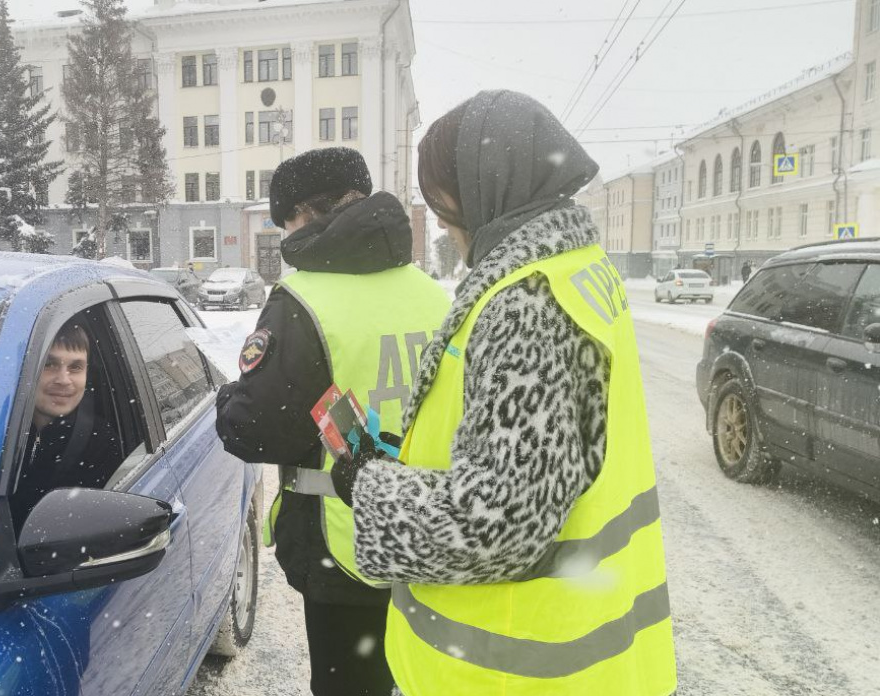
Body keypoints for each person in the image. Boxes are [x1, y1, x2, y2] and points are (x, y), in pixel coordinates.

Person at [331, 91, 677, 695]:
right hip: (578, 648)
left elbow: (499, 523)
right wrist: (412, 465)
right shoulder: (576, 268)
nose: (445, 224)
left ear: (489, 188)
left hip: (511, 673)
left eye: (446, 206)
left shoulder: (527, 305)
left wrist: (371, 488)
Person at [215, 147, 450, 696]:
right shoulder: (431, 295)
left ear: (302, 214)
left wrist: (229, 398)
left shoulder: (303, 300)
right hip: (429, 528)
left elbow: (256, 429)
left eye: (285, 223)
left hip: (345, 542)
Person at [11, 322, 123, 530]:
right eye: (48, 364)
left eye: (75, 367)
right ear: (24, 369)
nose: (63, 379)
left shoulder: (100, 443)